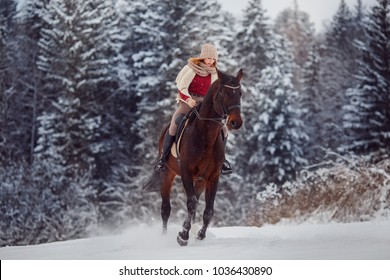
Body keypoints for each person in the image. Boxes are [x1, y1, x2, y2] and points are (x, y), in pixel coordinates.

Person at [154, 43, 232, 175]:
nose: (211, 61)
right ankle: (163, 158)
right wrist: (189, 99)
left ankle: (222, 160)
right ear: (203, 57)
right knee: (174, 124)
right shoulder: (191, 69)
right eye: (209, 58)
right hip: (188, 100)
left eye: (213, 59)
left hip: (206, 103)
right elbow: (181, 87)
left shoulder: (215, 73)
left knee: (223, 128)